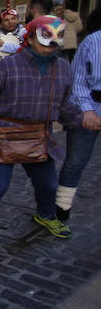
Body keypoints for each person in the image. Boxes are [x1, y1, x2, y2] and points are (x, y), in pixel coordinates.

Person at [0, 16, 84, 248]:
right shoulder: (5, 67)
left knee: (48, 185)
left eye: (56, 39)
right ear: (30, 38)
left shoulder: (63, 68)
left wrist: (81, 120)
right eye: (45, 38)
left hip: (38, 136)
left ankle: (45, 215)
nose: (51, 44)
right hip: (2, 135)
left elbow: (65, 104)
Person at [55, 29, 101, 221]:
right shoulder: (93, 40)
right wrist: (87, 110)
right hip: (91, 104)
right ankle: (61, 206)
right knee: (76, 160)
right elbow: (78, 79)